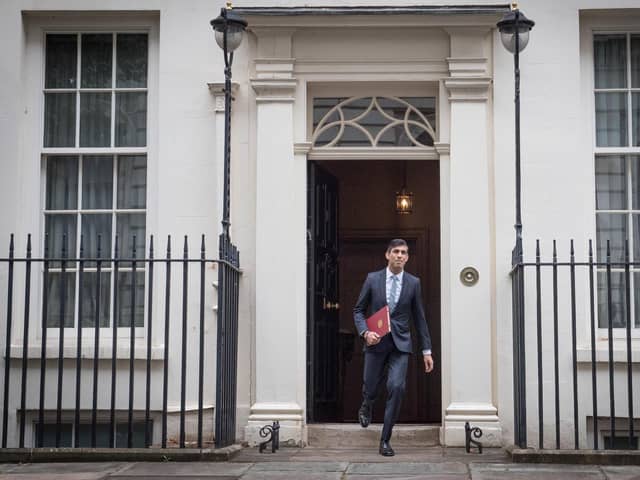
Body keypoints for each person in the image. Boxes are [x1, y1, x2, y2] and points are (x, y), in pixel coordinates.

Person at [353, 238, 434, 457]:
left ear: (407, 257)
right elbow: (358, 310)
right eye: (396, 252)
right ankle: (367, 403)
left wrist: (427, 350)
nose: (400, 255)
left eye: (404, 252)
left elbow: (420, 318)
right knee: (370, 387)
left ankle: (385, 440)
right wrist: (365, 332)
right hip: (376, 342)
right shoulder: (373, 279)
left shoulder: (413, 283)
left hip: (401, 345)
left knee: (397, 387)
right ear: (387, 255)